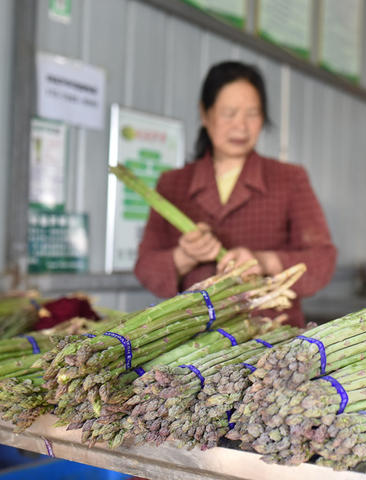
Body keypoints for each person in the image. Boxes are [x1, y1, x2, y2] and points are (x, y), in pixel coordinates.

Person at [134, 61, 337, 327]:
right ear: (205, 114)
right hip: (193, 341)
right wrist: (186, 257)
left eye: (252, 113)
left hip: (271, 341)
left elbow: (322, 259)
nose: (241, 126)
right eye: (229, 113)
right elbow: (145, 267)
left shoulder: (289, 179)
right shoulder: (172, 185)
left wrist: (263, 261)